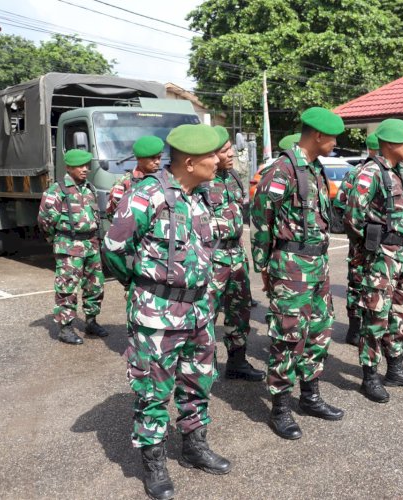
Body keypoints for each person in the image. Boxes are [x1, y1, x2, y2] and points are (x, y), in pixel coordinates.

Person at [103, 124, 231, 499]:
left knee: (198, 381)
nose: (217, 161)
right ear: (190, 163)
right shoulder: (147, 195)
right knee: (153, 390)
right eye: (211, 156)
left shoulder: (201, 196)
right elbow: (112, 246)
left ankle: (194, 446)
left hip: (199, 310)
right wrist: (143, 287)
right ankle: (153, 461)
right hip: (157, 314)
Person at [251, 107, 345, 440]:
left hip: (317, 266)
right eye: (333, 137)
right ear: (317, 136)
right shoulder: (282, 170)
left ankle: (310, 397)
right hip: (289, 268)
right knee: (289, 337)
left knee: (319, 332)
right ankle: (279, 408)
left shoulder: (315, 169)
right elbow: (261, 220)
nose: (335, 143)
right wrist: (263, 266)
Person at [344, 118, 403, 403]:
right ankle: (369, 376)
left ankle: (396, 368)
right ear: (390, 144)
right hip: (381, 257)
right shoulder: (371, 173)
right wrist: (372, 250)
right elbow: (353, 217)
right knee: (375, 315)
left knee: (400, 313)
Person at [207, 125, 265, 382]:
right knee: (207, 315)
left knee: (239, 311)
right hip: (212, 258)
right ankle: (205, 366)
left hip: (235, 257)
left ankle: (237, 362)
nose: (231, 154)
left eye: (231, 148)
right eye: (225, 150)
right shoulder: (201, 182)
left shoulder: (231, 177)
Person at [38, 149, 108, 345]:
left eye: (87, 165)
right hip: (69, 245)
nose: (85, 169)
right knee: (67, 287)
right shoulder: (57, 191)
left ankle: (91, 321)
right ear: (69, 167)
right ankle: (65, 328)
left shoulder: (89, 189)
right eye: (80, 166)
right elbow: (45, 221)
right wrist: (58, 240)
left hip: (91, 244)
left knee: (94, 285)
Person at [333, 133, 380, 347]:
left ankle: (358, 328)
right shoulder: (361, 172)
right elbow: (342, 204)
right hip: (365, 239)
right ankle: (354, 329)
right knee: (360, 281)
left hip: (365, 239)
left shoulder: (356, 172)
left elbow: (340, 202)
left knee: (359, 281)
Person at [106, 136, 164, 220]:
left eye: (159, 157)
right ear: (139, 159)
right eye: (152, 158)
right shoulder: (124, 184)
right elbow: (112, 215)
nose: (157, 162)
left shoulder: (162, 181)